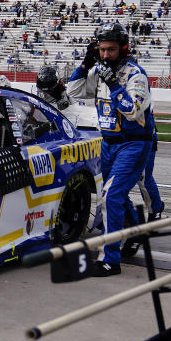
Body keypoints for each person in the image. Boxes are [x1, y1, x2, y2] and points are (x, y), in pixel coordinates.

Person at [67, 23, 155, 277]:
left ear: (124, 48)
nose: (105, 55)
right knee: (115, 197)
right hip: (108, 143)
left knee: (109, 197)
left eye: (111, 50)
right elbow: (73, 92)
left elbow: (131, 111)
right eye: (101, 50)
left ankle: (110, 260)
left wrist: (114, 84)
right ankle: (137, 231)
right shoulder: (98, 71)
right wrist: (84, 65)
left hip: (133, 144)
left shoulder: (136, 75)